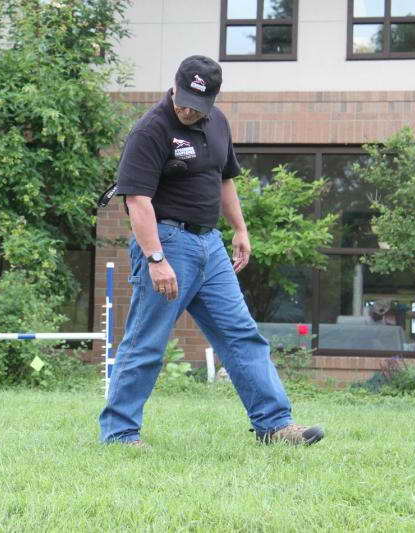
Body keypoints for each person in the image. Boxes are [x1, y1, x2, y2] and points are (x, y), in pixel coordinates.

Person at [99, 55, 324, 446]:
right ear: (174, 85)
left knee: (242, 335)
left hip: (210, 245)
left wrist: (240, 229)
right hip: (167, 242)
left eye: (197, 104)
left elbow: (225, 179)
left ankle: (274, 425)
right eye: (183, 99)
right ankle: (119, 433)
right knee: (147, 340)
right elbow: (137, 201)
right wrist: (155, 259)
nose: (187, 109)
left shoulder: (217, 122)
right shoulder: (151, 130)